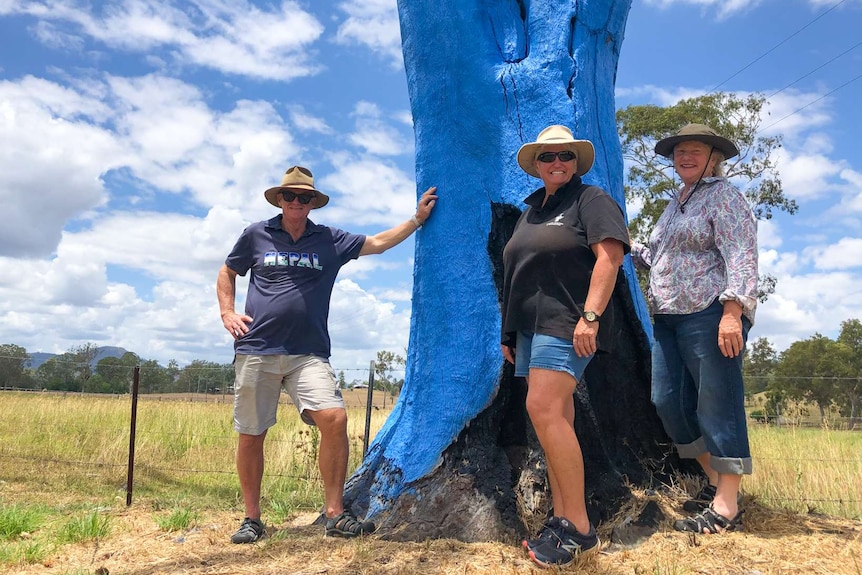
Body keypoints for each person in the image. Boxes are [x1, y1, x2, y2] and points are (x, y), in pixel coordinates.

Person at [217, 165, 437, 543]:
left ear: (312, 202)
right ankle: (252, 519)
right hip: (257, 348)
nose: (297, 202)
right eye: (291, 196)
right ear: (280, 199)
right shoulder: (256, 234)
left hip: (309, 353)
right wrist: (227, 312)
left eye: (305, 197)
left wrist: (417, 219)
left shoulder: (329, 240)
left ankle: (335, 513)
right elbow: (227, 272)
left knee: (335, 419)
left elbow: (379, 242)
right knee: (252, 433)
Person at [500, 125, 630, 568]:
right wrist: (508, 333)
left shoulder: (591, 200)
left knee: (543, 409)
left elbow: (609, 257)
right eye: (548, 157)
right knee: (555, 417)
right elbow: (518, 273)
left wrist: (590, 316)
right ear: (536, 165)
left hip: (568, 321)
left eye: (566, 157)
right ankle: (561, 517)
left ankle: (580, 528)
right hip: (531, 328)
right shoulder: (531, 211)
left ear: (576, 163)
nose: (557, 163)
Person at [631, 123, 758, 534]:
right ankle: (715, 479)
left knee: (717, 403)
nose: (685, 157)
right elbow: (658, 257)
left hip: (709, 313)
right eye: (680, 152)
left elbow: (741, 253)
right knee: (666, 401)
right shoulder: (676, 203)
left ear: (713, 159)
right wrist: (621, 243)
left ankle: (726, 506)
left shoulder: (724, 196)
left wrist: (731, 312)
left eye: (696, 151)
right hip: (667, 317)